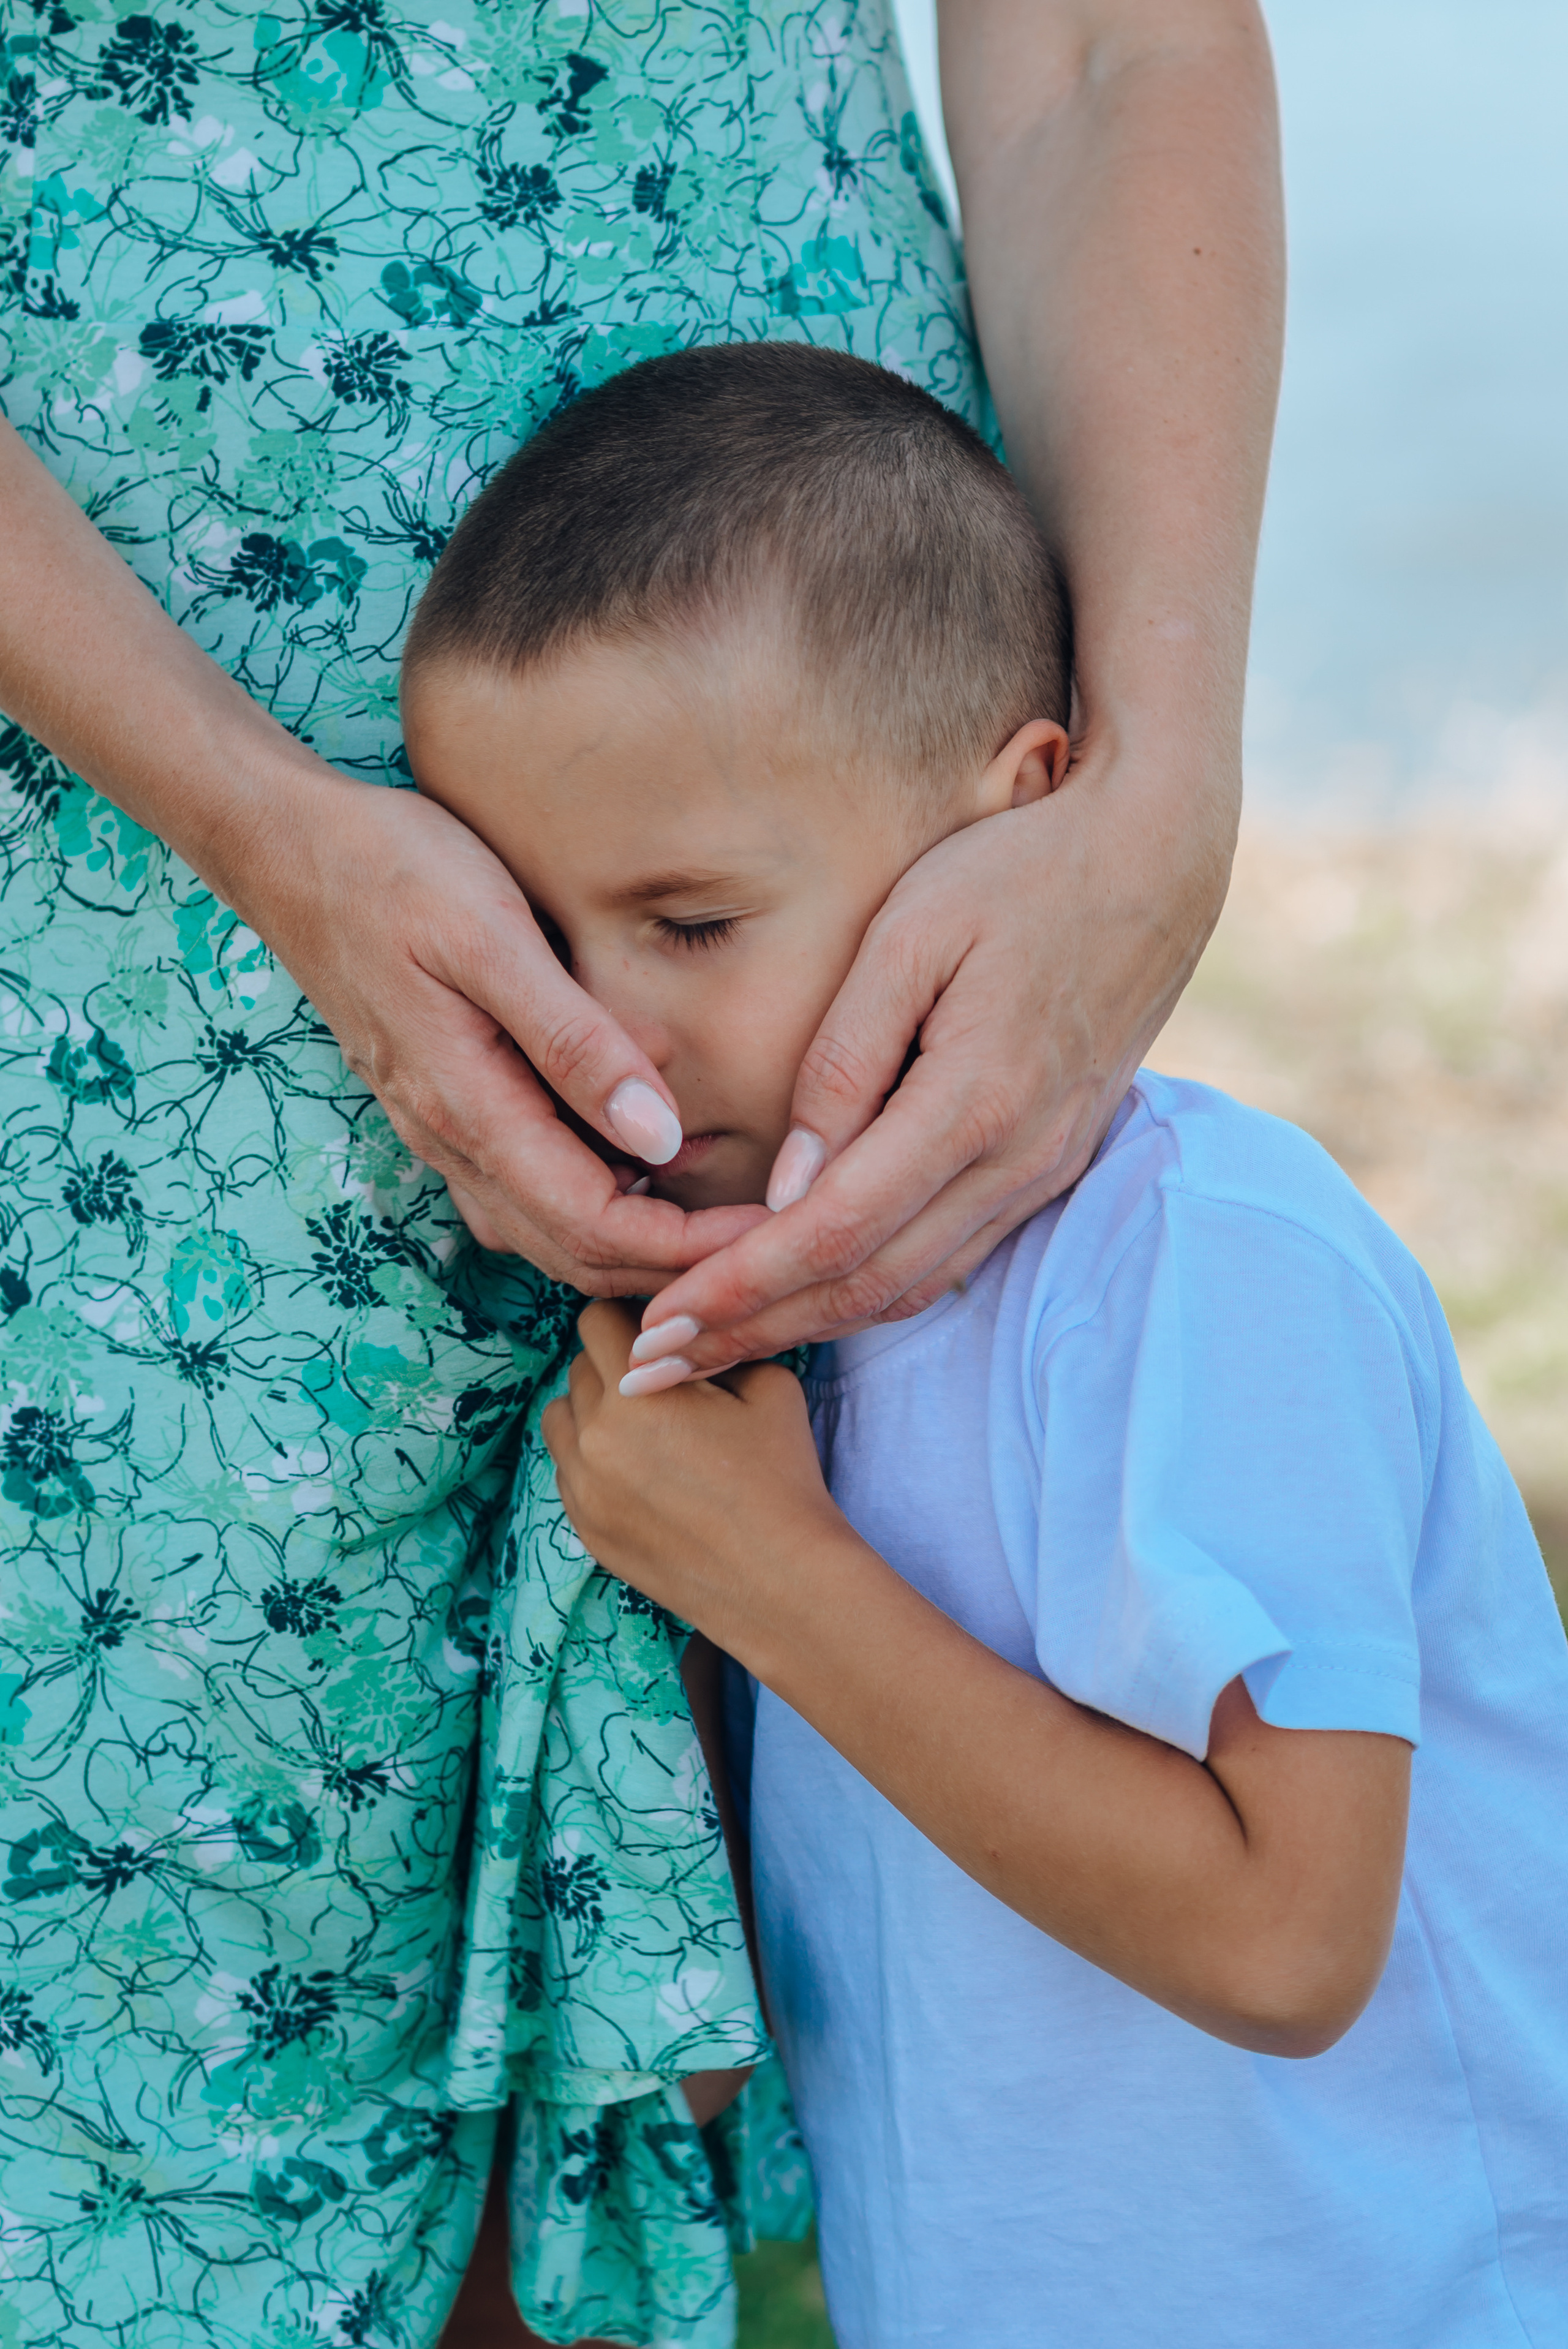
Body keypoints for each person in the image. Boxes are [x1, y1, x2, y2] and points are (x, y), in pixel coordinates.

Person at [0, 2, 1281, 2338]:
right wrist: (249, 813)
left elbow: (1110, 37)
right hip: (108, 1002)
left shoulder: (1240, 1269)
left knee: (681, 2068)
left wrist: (1155, 803)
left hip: (842, 819)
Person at [401, 341, 1568, 2348]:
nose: (606, 1038)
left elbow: (1290, 1940)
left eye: (688, 926)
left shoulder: (1213, 1259)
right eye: (541, 934)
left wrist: (771, 1582)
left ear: (1009, 818)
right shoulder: (777, 1332)